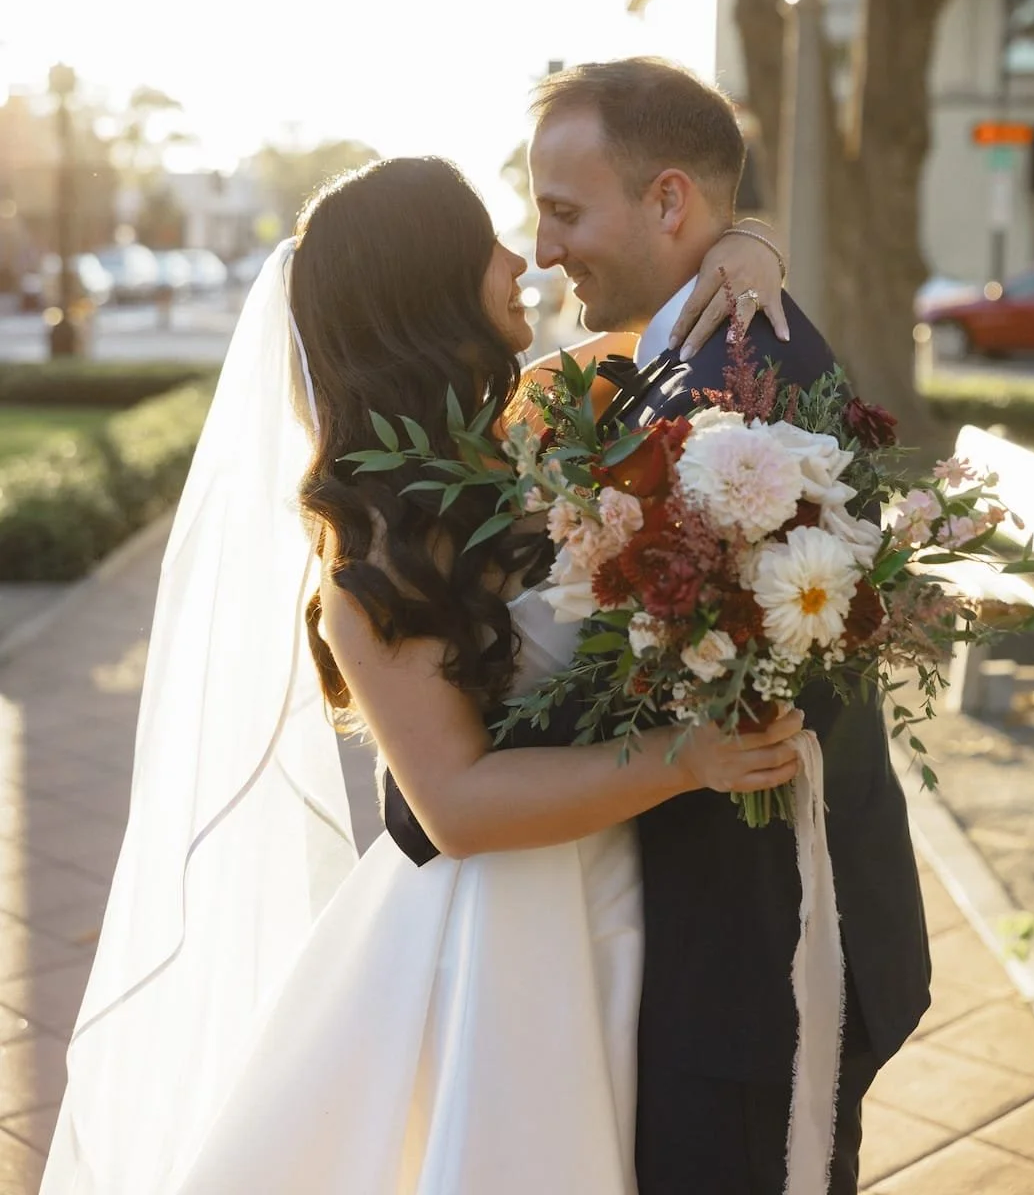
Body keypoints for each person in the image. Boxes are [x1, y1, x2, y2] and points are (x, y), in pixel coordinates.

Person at [41, 151, 797, 1195]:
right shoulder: (372, 557)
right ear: (427, 286)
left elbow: (679, 323)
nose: (521, 255)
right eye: (484, 238)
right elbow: (456, 803)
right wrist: (686, 758)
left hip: (619, 891)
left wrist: (751, 244)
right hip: (502, 935)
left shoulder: (538, 414)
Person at [388, 59, 932, 1195]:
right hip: (712, 955)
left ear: (670, 201)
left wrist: (434, 766)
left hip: (756, 968)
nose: (544, 248)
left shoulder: (742, 385)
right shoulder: (680, 358)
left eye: (563, 210)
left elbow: (677, 673)